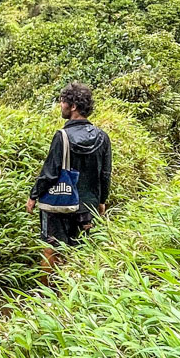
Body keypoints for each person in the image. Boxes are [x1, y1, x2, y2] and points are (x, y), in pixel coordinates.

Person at [26, 82, 112, 277]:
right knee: (82, 249)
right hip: (88, 205)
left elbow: (49, 173)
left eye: (62, 101)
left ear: (73, 106)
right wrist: (101, 202)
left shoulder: (62, 136)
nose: (60, 105)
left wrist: (33, 196)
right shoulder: (102, 137)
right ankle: (72, 294)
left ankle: (46, 298)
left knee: (51, 247)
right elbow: (105, 174)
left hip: (60, 204)